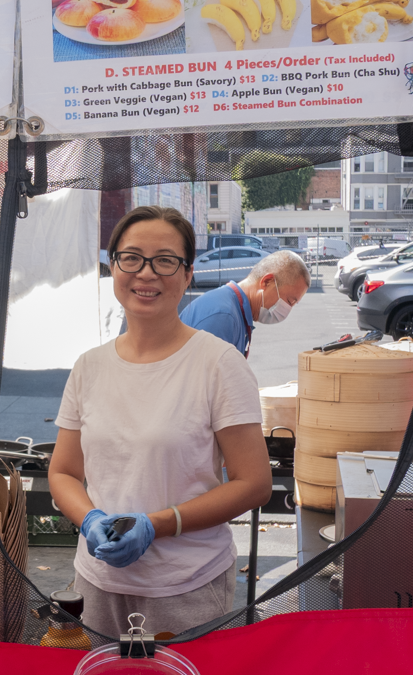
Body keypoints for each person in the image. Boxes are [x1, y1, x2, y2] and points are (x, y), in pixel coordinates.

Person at [48, 206, 272, 638]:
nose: (146, 273)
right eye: (131, 258)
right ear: (113, 268)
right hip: (97, 582)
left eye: (165, 260)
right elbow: (63, 471)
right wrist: (90, 518)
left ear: (188, 274)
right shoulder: (89, 367)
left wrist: (157, 524)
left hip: (185, 587)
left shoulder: (218, 364)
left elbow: (254, 483)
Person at [179, 251, 311, 357]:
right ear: (267, 282)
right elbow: (204, 386)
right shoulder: (223, 317)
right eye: (289, 301)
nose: (287, 310)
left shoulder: (234, 310)